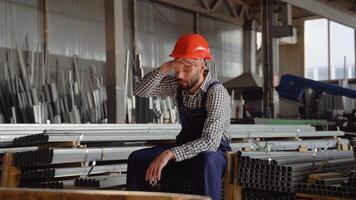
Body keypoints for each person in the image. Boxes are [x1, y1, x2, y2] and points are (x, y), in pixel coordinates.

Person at [126, 33, 231, 200]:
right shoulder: (178, 85)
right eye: (177, 69)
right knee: (138, 158)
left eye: (186, 69)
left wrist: (169, 154)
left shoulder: (216, 93)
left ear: (202, 67)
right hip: (184, 150)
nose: (179, 75)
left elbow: (210, 142)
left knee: (206, 160)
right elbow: (140, 90)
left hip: (215, 154)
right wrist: (165, 68)